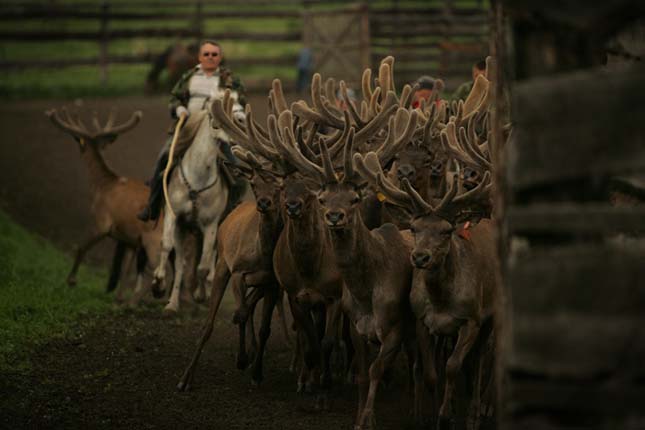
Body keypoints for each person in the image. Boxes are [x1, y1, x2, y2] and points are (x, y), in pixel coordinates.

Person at [137, 40, 247, 222]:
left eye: (214, 54)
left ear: (220, 57)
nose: (210, 58)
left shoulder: (229, 79)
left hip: (217, 130)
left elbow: (239, 101)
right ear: (199, 57)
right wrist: (179, 108)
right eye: (206, 54)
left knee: (239, 171)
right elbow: (175, 99)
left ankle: (229, 209)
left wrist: (238, 112)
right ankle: (153, 205)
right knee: (163, 158)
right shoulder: (189, 77)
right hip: (189, 127)